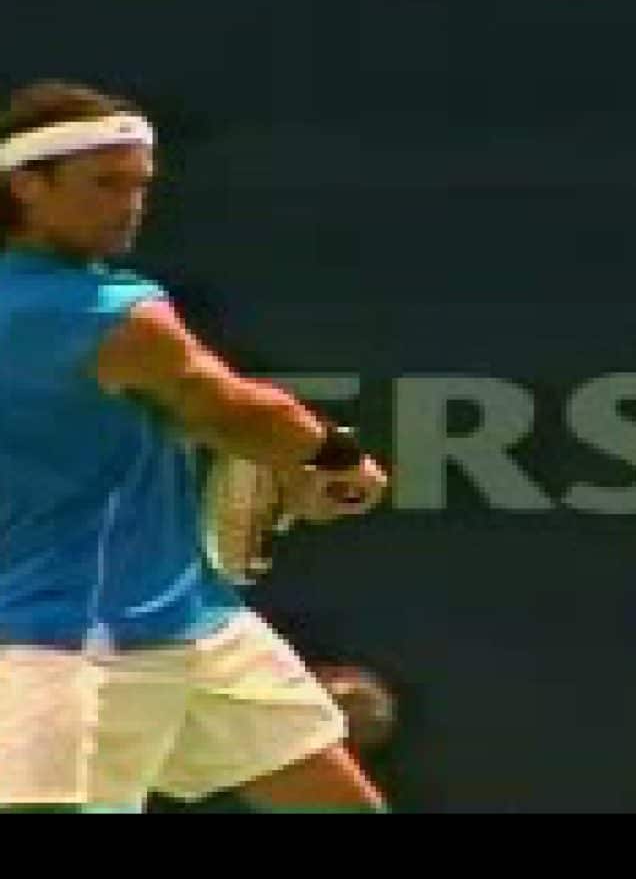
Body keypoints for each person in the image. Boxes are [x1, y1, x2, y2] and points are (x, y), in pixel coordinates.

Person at [0, 80, 390, 814]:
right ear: (26, 186)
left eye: (139, 186)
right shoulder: (104, 316)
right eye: (104, 184)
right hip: (62, 647)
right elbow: (234, 410)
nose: (129, 205)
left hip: (194, 622)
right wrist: (338, 463)